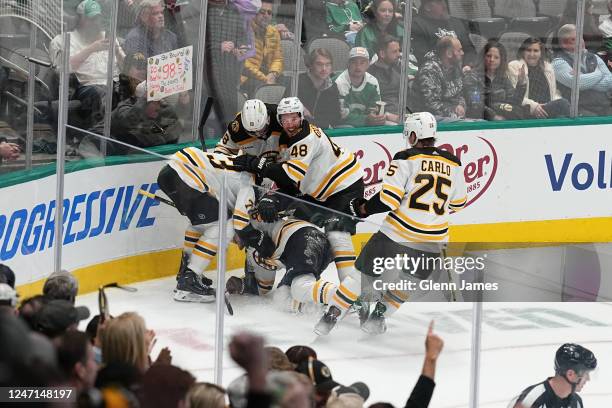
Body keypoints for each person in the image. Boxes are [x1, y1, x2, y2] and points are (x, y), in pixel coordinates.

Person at [315, 112, 466, 335]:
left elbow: (388, 200)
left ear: (414, 135)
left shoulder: (405, 158)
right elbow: (458, 204)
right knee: (407, 283)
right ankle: (377, 319)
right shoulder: (453, 163)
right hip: (433, 240)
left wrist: (362, 208)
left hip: (396, 233)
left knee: (361, 275)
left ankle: (332, 315)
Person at [233, 96, 365, 296]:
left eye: (294, 119)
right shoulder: (288, 138)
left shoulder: (304, 138)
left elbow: (289, 175)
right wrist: (271, 198)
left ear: (301, 117)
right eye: (285, 120)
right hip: (318, 192)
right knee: (298, 229)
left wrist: (255, 163)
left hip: (344, 188)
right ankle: (296, 277)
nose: (290, 124)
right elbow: (291, 184)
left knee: (337, 234)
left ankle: (353, 294)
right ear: (279, 119)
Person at [156, 148, 253, 302]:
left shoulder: (238, 169)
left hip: (170, 171)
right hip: (187, 177)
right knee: (223, 225)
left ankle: (185, 272)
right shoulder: (251, 184)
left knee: (200, 224)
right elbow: (240, 222)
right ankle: (189, 279)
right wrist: (243, 236)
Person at [226, 184, 337, 314]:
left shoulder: (253, 243)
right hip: (315, 242)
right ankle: (321, 308)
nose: (238, 246)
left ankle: (351, 297)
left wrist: (247, 283)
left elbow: (263, 286)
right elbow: (263, 287)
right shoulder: (258, 224)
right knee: (281, 297)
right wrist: (242, 284)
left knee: (300, 287)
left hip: (301, 240)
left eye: (235, 239)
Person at [49, 0, 125, 128]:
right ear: (79, 19)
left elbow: (126, 68)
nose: (96, 23)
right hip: (87, 87)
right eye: (91, 19)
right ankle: (98, 134)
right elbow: (61, 69)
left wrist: (116, 51)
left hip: (115, 83)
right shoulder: (64, 40)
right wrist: (91, 49)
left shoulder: (108, 37)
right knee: (101, 93)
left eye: (98, 18)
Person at [508, 343, 597, 408]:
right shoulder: (532, 399)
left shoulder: (576, 403)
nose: (588, 379)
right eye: (585, 374)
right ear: (570, 374)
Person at [552, 24, 612, 116]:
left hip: (605, 105)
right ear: (564, 44)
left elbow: (609, 82)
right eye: (575, 39)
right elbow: (578, 84)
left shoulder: (594, 57)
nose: (581, 41)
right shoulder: (558, 62)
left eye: (581, 37)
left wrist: (584, 78)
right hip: (578, 110)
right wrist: (599, 74)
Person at [463, 40, 527, 120]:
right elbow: (475, 104)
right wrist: (493, 116)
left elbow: (514, 103)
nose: (492, 59)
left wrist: (521, 85)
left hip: (503, 119)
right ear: (483, 57)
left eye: (496, 57)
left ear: (501, 60)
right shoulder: (472, 77)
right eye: (489, 56)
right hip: (481, 120)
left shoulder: (503, 78)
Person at [508, 38, 570, 119]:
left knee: (563, 110)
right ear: (523, 52)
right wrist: (534, 106)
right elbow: (512, 95)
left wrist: (556, 101)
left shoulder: (548, 67)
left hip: (546, 109)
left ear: (541, 53)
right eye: (529, 50)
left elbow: (553, 93)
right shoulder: (515, 66)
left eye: (536, 51)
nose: (532, 54)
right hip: (526, 110)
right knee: (563, 104)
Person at [411, 0, 476, 67]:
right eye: (440, 2)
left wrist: (467, 65)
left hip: (462, 70)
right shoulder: (417, 25)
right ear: (428, 7)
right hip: (436, 72)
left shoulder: (456, 23)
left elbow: (469, 49)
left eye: (445, 1)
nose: (444, 5)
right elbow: (423, 56)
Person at [415, 36, 466, 120]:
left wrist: (460, 106)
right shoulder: (429, 70)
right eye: (459, 50)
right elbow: (431, 105)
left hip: (453, 118)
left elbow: (460, 94)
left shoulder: (456, 67)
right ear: (449, 53)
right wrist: (454, 111)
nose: (462, 53)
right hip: (428, 119)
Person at [240, 0, 284, 96]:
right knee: (260, 87)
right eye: (262, 12)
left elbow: (278, 58)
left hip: (267, 75)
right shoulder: (244, 29)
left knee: (287, 82)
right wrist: (265, 79)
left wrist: (273, 74)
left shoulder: (273, 32)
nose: (266, 15)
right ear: (254, 14)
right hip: (248, 77)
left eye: (269, 13)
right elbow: (245, 64)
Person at [213, 99, 283, 159]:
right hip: (253, 169)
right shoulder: (237, 128)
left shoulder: (282, 119)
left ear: (268, 119)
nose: (258, 135)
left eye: (261, 130)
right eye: (252, 132)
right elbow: (222, 150)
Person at [335, 47, 385, 127]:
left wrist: (377, 118)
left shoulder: (373, 82)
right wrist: (367, 119)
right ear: (348, 64)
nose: (358, 67)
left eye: (362, 63)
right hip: (343, 126)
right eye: (354, 62)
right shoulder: (339, 82)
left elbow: (374, 110)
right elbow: (341, 116)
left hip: (367, 124)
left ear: (368, 64)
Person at [298, 48, 342, 128]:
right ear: (311, 65)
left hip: (325, 131)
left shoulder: (332, 86)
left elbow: (336, 117)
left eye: (327, 64)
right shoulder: (297, 83)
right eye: (319, 64)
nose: (324, 68)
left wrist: (318, 122)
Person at [367, 35, 402, 124]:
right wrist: (388, 115)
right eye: (394, 52)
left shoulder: (398, 69)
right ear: (382, 54)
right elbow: (371, 104)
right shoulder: (370, 74)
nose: (399, 54)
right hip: (383, 118)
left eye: (399, 51)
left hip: (402, 114)